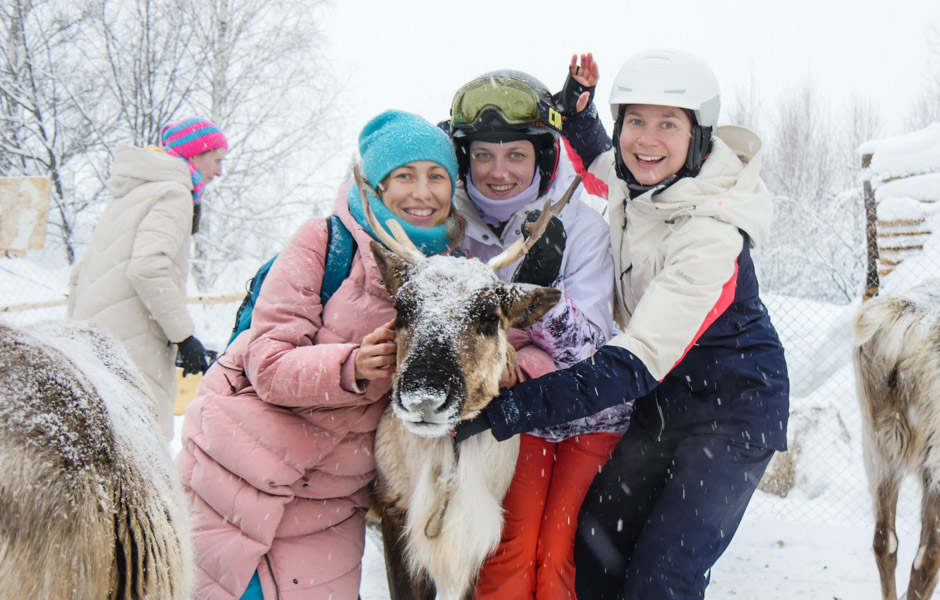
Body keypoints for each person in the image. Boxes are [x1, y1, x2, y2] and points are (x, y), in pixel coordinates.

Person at [456, 50, 791, 599]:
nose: (646, 139)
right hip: (663, 399)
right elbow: (598, 158)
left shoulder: (711, 234)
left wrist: (514, 408)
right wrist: (578, 112)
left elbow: (630, 364)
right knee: (595, 549)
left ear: (699, 135)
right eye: (635, 121)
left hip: (732, 410)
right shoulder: (641, 178)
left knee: (663, 574)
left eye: (667, 124)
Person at [174, 110, 462, 600]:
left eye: (437, 176)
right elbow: (267, 362)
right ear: (376, 185)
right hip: (240, 471)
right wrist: (351, 366)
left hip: (332, 504)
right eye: (404, 176)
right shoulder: (326, 242)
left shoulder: (453, 273)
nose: (423, 192)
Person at [446, 70, 627, 599]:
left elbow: (588, 350)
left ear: (543, 158)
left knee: (558, 553)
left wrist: (538, 303)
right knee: (510, 548)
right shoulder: (455, 234)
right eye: (483, 155)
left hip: (589, 416)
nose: (498, 171)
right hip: (519, 418)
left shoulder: (584, 228)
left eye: (516, 155)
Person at [68, 117, 227, 441]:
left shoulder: (132, 192)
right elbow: (148, 267)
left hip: (94, 336)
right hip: (133, 342)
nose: (219, 171)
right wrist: (184, 336)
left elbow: (79, 271)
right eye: (217, 160)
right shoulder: (174, 193)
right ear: (194, 154)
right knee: (139, 445)